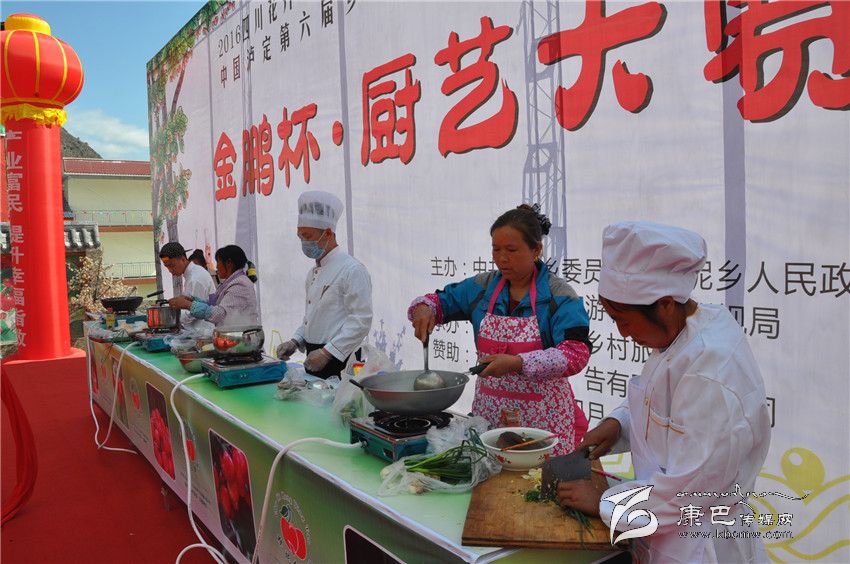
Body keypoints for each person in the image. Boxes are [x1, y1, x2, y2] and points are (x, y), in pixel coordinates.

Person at [556, 221, 771, 563]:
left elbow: (686, 494)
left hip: (699, 543)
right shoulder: (684, 334)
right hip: (663, 528)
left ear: (666, 304)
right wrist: (618, 424)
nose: (623, 333)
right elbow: (662, 405)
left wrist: (605, 501)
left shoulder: (711, 373)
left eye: (624, 320)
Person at [409, 204, 591, 454]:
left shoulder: (559, 295)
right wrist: (424, 309)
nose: (502, 258)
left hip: (543, 422)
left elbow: (576, 353)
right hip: (490, 418)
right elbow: (438, 301)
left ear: (536, 250)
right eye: (496, 249)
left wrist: (518, 363)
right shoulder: (481, 288)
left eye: (511, 250)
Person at [275, 191, 372, 378]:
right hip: (314, 357)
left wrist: (327, 353)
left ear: (328, 233)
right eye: (300, 236)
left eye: (307, 236)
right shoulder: (313, 273)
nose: (304, 242)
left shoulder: (352, 269)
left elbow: (361, 321)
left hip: (341, 359)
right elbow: (313, 318)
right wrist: (296, 341)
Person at [168, 245, 260, 327]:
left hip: (242, 336)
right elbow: (215, 305)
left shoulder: (240, 284)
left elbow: (218, 314)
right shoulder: (230, 282)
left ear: (229, 263)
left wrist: (189, 305)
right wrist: (193, 301)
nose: (216, 267)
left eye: (218, 262)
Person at [159, 242, 215, 334]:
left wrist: (169, 319)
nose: (170, 270)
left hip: (203, 333)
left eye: (172, 265)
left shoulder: (195, 278)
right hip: (196, 330)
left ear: (183, 259)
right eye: (167, 266)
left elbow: (194, 312)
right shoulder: (192, 274)